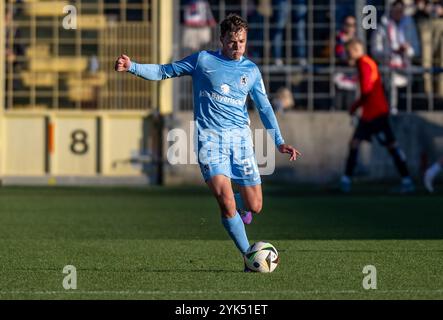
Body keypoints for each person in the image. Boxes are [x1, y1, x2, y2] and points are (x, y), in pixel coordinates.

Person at [115, 14, 300, 271]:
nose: (237, 47)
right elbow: (163, 71)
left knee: (255, 206)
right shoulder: (203, 60)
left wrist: (279, 142)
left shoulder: (251, 71)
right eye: (233, 42)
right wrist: (132, 66)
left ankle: (240, 208)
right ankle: (248, 256)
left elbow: (265, 108)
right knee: (225, 202)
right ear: (222, 39)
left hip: (241, 143)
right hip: (210, 141)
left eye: (242, 42)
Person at [339, 39, 415, 194]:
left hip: (375, 114)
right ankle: (345, 181)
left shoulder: (363, 63)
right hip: (371, 113)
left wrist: (354, 107)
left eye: (348, 52)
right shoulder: (368, 62)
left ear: (355, 50)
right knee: (356, 143)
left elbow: (367, 91)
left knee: (391, 146)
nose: (347, 56)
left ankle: (407, 181)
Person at [370, 0, 419, 114]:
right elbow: (375, 50)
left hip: (405, 70)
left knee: (404, 105)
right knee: (388, 104)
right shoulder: (382, 25)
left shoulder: (409, 24)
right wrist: (390, 52)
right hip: (388, 70)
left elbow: (416, 50)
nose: (398, 12)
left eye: (400, 10)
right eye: (395, 9)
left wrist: (407, 49)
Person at [333, 15, 358, 110]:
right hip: (340, 77)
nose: (350, 27)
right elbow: (339, 54)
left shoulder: (358, 38)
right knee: (338, 106)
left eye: (352, 25)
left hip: (353, 79)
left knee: (351, 106)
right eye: (348, 24)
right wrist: (349, 59)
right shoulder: (339, 38)